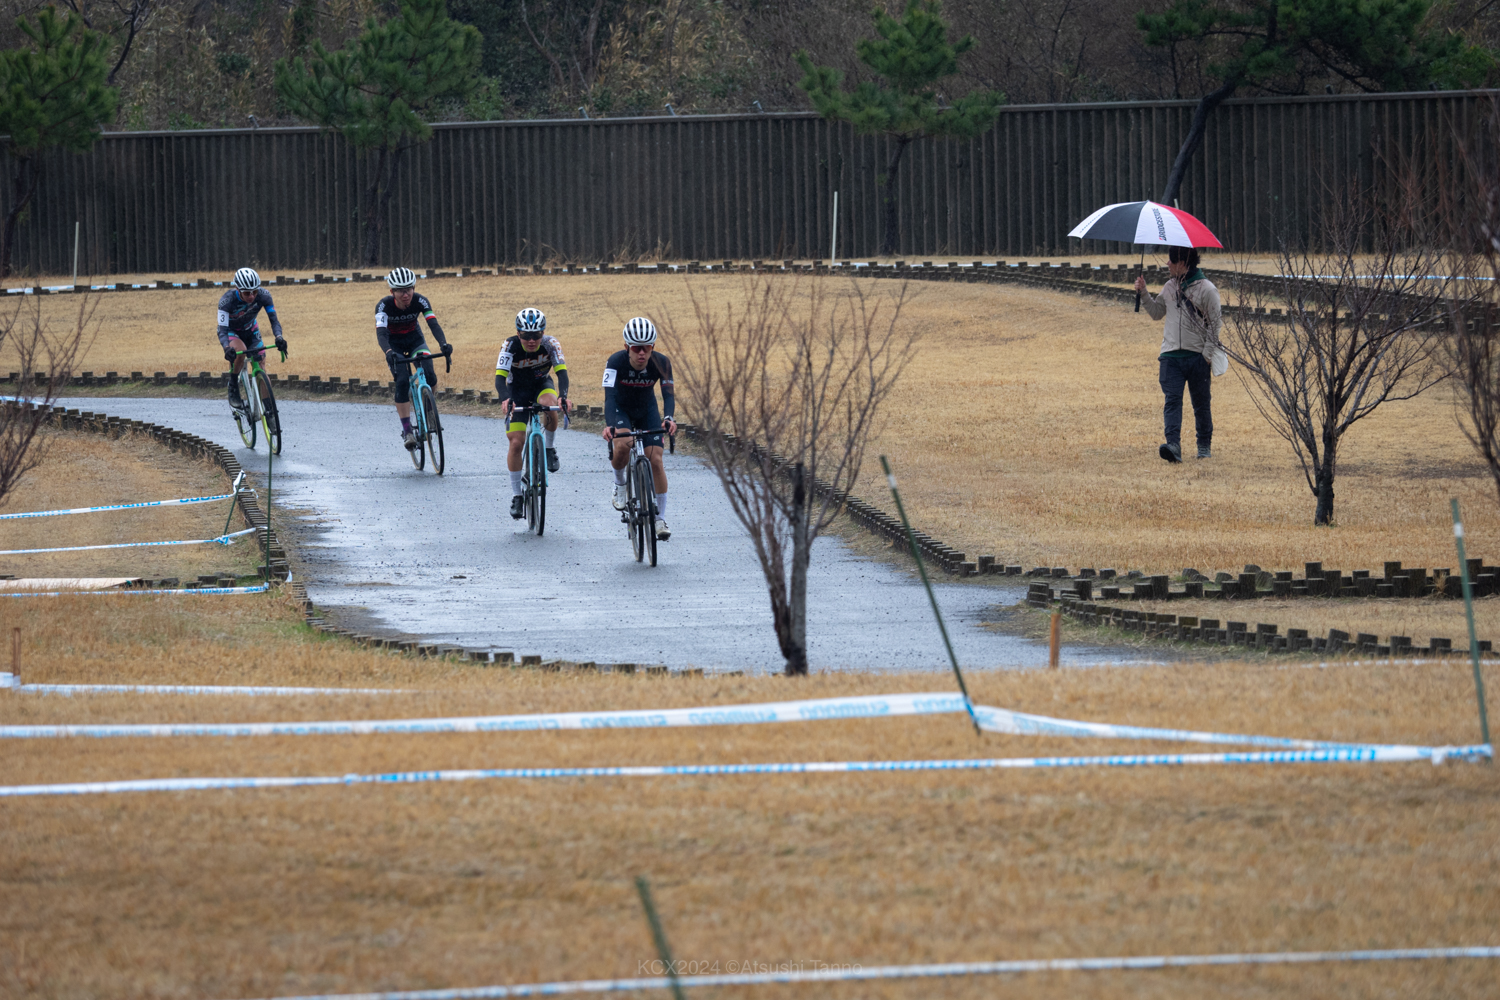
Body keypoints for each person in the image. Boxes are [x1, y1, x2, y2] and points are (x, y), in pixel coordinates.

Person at [1135, 245, 1221, 462]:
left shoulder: (1208, 290)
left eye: (1171, 260)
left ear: (1182, 263)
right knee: (1172, 401)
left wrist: (1206, 356)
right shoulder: (1168, 287)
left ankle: (1204, 446)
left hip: (1197, 357)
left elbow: (1214, 325)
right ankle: (1173, 445)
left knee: (1201, 403)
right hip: (1170, 356)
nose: (1167, 264)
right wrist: (1143, 293)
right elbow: (1156, 313)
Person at [602, 317, 676, 541]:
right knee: (623, 445)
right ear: (627, 348)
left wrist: (669, 418)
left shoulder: (661, 362)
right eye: (636, 348)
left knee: (656, 460)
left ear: (652, 347)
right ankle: (620, 483)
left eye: (647, 348)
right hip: (621, 410)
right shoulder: (615, 361)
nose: (642, 353)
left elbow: (668, 394)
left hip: (647, 409)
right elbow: (610, 396)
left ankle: (660, 518)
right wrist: (610, 425)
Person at [496, 307, 571, 519]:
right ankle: (517, 495)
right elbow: (499, 379)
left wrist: (563, 396)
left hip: (541, 384)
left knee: (550, 405)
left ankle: (548, 448)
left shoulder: (550, 344)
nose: (532, 340)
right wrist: (505, 399)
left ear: (543, 332)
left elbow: (562, 374)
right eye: (527, 336)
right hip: (516, 391)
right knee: (516, 443)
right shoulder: (509, 346)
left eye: (537, 335)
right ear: (518, 333)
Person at [376, 266, 452, 450]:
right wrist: (388, 353)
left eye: (409, 289)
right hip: (394, 345)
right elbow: (381, 334)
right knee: (402, 381)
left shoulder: (421, 301)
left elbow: (433, 324)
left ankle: (429, 412)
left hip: (415, 340)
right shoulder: (384, 305)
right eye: (401, 291)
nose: (406, 294)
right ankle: (407, 429)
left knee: (430, 374)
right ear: (392, 291)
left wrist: (443, 344)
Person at [216, 267, 287, 408]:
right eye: (247, 293)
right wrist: (226, 348)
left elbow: (274, 320)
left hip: (251, 330)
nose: (252, 296)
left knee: (260, 365)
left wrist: (279, 337)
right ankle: (233, 385)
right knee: (240, 352)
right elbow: (222, 330)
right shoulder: (226, 301)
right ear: (238, 288)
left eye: (254, 292)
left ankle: (269, 409)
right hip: (231, 331)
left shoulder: (264, 295)